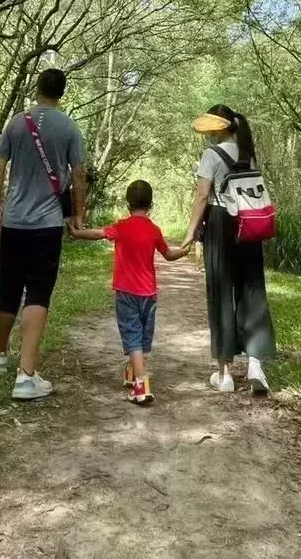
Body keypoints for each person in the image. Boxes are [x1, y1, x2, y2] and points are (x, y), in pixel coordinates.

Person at [0, 67, 86, 400]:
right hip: (46, 225)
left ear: (37, 88)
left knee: (8, 288)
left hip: (13, 221)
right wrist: (77, 215)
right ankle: (26, 376)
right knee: (38, 293)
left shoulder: (16, 123)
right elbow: (79, 175)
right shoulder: (69, 128)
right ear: (62, 93)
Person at [181, 104, 276, 395]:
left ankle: (224, 375)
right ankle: (256, 366)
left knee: (221, 293)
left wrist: (190, 233)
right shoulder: (247, 152)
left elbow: (201, 196)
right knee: (252, 289)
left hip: (221, 222)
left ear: (219, 127)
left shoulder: (212, 154)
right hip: (250, 223)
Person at [70, 179, 190, 406]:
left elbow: (97, 234)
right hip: (149, 294)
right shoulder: (154, 229)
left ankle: (141, 385)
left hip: (126, 292)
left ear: (127, 204)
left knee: (132, 335)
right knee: (144, 335)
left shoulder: (121, 226)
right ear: (151, 204)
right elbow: (168, 254)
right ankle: (133, 373)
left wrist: (78, 233)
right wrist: (184, 251)